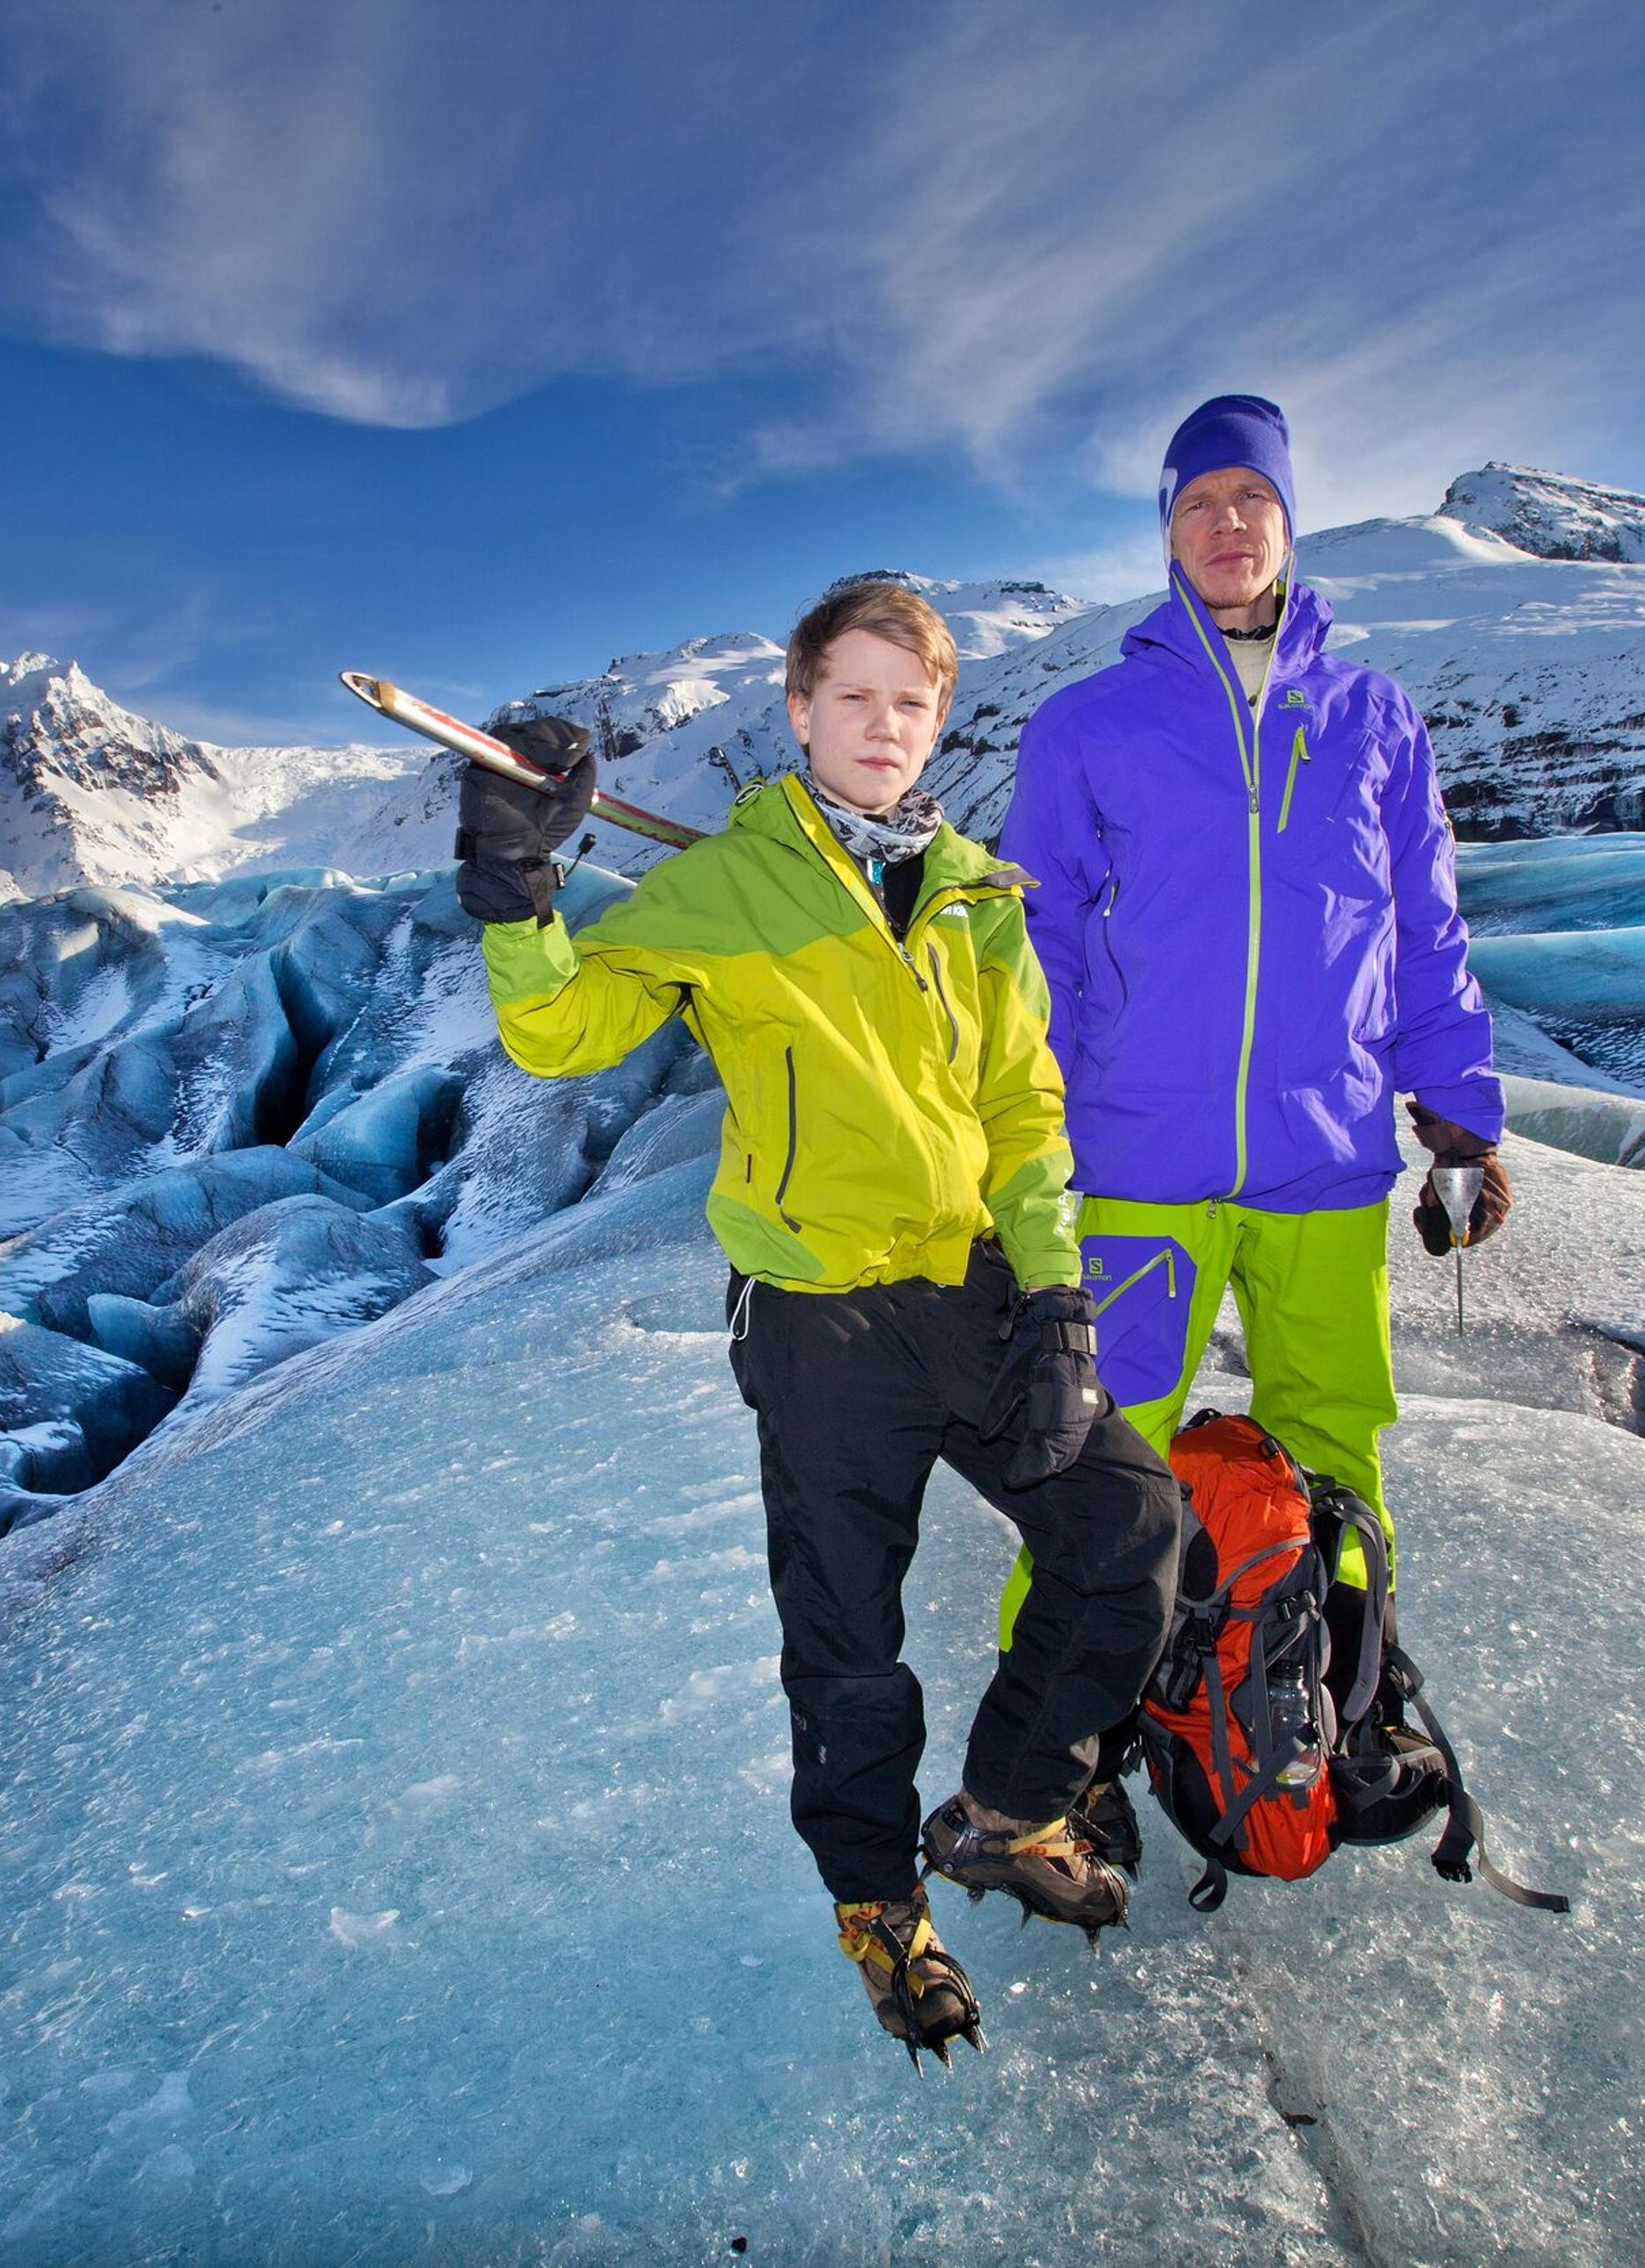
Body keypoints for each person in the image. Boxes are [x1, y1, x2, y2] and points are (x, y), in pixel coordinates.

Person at [460, 577, 1180, 2063]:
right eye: (854, 696)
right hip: (818, 1319)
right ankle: (875, 1904)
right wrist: (519, 893)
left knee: (1128, 1537)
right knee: (849, 1643)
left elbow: (1024, 1113)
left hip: (975, 1293)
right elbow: (561, 1028)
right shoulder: (728, 885)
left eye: (910, 703)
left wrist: (1054, 1298)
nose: (884, 726)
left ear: (937, 721)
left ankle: (1007, 1804)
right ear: (799, 711)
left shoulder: (977, 899)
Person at [997, 394, 1512, 1644]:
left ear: (1289, 524)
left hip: (1326, 1159)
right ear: (1166, 536)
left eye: (1252, 501)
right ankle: (1061, 1756)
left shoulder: (1371, 716)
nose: (1227, 524)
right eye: (1198, 504)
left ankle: (1339, 1686)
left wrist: (1459, 1111)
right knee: (1097, 1458)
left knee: (1335, 1440)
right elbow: (1040, 948)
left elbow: (1422, 926)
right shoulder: (1086, 725)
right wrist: (1021, 1135)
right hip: (1139, 1162)